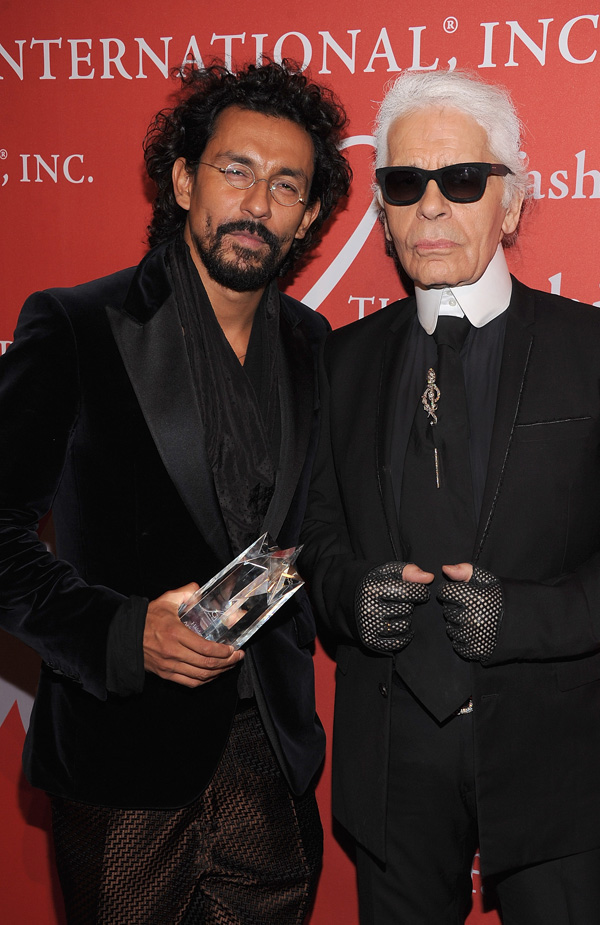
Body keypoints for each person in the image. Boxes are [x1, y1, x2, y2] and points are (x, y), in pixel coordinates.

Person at [299, 69, 600, 925]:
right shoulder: (341, 360)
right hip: (392, 761)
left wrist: (519, 618)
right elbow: (318, 532)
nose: (432, 205)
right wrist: (350, 593)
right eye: (406, 182)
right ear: (384, 213)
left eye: (463, 179)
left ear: (510, 204)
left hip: (555, 757)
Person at [0, 60, 351, 924]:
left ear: (309, 215)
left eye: (286, 185)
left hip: (270, 765)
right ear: (186, 180)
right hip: (123, 765)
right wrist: (124, 632)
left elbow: (318, 535)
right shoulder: (77, 325)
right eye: (236, 170)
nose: (257, 203)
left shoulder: (317, 345)